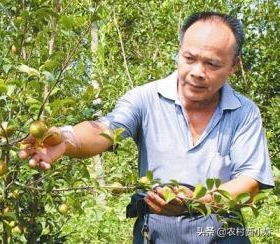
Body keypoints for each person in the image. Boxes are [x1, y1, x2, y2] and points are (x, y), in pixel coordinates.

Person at [20, 12, 274, 243]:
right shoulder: (145, 98)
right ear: (179, 51)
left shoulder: (244, 112)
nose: (197, 72)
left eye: (212, 64)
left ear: (233, 66)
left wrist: (194, 203)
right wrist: (66, 138)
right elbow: (104, 129)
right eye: (189, 58)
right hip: (155, 233)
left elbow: (249, 183)